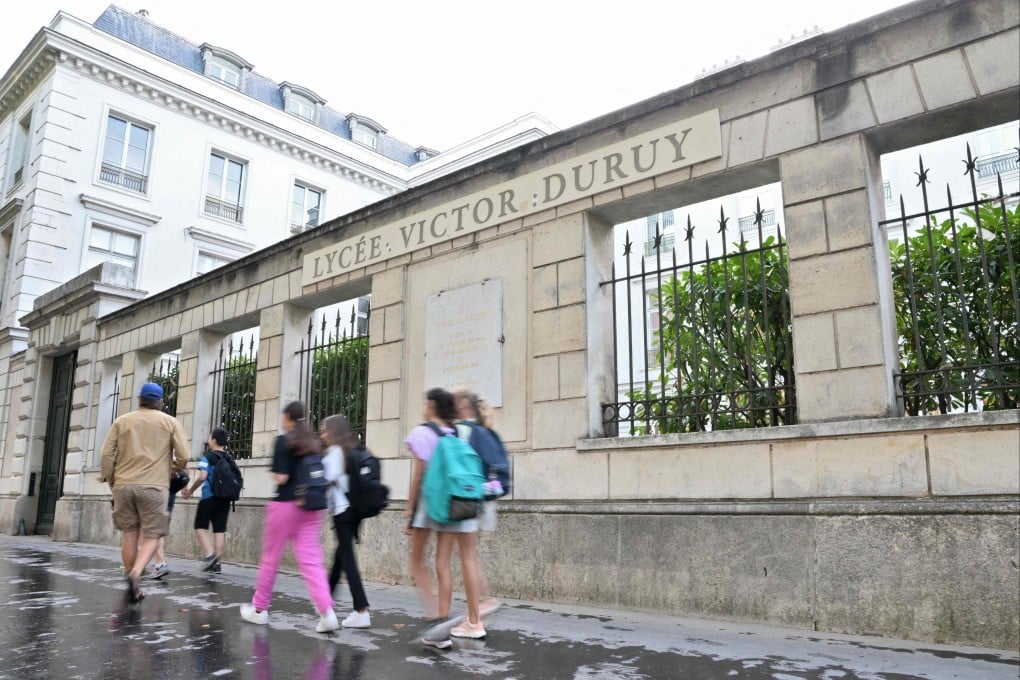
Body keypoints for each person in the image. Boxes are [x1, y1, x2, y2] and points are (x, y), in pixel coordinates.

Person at [239, 401, 340, 633]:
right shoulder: (314, 442)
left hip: (285, 506)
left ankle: (259, 609)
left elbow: (282, 478)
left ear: (288, 417)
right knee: (311, 560)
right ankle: (327, 613)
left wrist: (278, 473)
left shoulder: (284, 441)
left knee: (271, 558)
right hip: (313, 507)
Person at [404, 387, 485, 648]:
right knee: (443, 562)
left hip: (429, 503)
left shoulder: (420, 432)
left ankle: (435, 618)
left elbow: (418, 475)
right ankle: (441, 626)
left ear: (431, 405)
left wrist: (409, 509)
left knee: (416, 561)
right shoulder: (454, 432)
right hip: (451, 501)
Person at [100, 381, 190, 603]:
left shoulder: (122, 421)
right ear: (160, 402)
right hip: (154, 487)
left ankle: (134, 586)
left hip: (123, 486)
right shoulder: (169, 422)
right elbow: (184, 455)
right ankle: (135, 574)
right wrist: (173, 469)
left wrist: (111, 479)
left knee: (129, 534)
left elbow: (106, 454)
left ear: (140, 399)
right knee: (153, 534)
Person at [453, 389, 506, 618]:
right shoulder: (484, 431)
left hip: (470, 499)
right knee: (469, 553)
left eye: (455, 402)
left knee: (466, 555)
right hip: (482, 499)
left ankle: (476, 614)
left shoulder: (463, 431)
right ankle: (483, 599)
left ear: (464, 405)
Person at [320, 414, 371, 628]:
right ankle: (325, 601)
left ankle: (361, 610)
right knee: (341, 556)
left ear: (333, 432)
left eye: (324, 430)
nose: (321, 434)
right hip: (355, 510)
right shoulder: (353, 450)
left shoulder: (333, 454)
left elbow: (325, 482)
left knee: (347, 559)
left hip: (342, 511)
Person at [180, 428, 232, 573]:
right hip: (225, 498)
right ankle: (217, 563)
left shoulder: (207, 457)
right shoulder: (229, 458)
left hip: (209, 497)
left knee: (200, 527)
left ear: (214, 440)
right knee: (219, 529)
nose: (208, 440)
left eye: (209, 437)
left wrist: (190, 490)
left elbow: (203, 476)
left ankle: (210, 555)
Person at [148, 466, 189, 579]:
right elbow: (184, 463)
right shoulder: (177, 449)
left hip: (157, 487)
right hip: (170, 489)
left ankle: (160, 563)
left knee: (154, 530)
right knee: (158, 530)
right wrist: (185, 486)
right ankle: (158, 563)